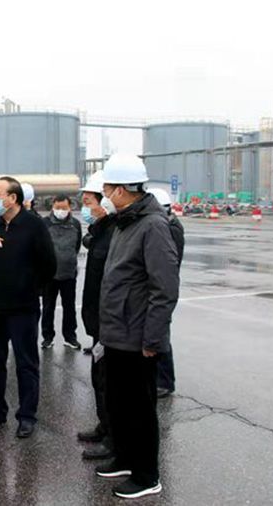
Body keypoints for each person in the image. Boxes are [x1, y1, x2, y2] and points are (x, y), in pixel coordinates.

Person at [94, 154, 179, 500]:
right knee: (119, 403)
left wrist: (153, 339)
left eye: (106, 189)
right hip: (116, 332)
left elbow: (164, 288)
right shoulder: (125, 222)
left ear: (121, 189)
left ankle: (147, 476)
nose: (104, 195)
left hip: (138, 337)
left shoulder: (152, 226)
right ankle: (126, 459)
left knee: (140, 409)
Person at [0, 176, 56, 439]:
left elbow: (49, 265)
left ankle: (26, 416)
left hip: (22, 309)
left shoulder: (33, 225)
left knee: (26, 364)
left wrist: (29, 288)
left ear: (13, 198)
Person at [77, 171, 117, 461]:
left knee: (109, 382)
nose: (85, 207)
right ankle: (104, 426)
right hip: (97, 321)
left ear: (105, 202)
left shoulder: (115, 234)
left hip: (109, 322)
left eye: (88, 201)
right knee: (98, 378)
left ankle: (114, 439)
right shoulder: (101, 232)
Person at [147, 188, 185, 399]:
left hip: (163, 287)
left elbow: (168, 264)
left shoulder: (171, 229)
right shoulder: (167, 225)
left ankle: (165, 381)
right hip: (159, 285)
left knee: (160, 333)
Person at [41, 194, 82, 350]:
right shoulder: (45, 223)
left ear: (70, 207)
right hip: (49, 274)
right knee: (48, 307)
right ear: (53, 206)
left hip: (69, 273)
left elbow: (77, 246)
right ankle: (47, 337)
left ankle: (70, 337)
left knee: (69, 307)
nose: (60, 211)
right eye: (57, 207)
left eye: (64, 208)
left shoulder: (76, 224)